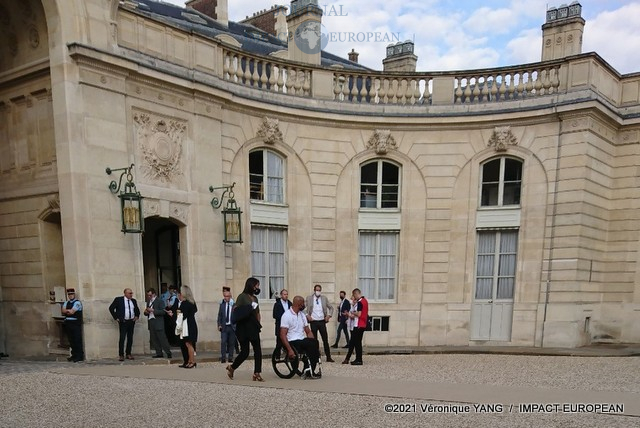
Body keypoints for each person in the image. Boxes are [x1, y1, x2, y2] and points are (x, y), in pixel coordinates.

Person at [226, 277, 264, 382]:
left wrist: (258, 323)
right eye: (256, 285)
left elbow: (257, 312)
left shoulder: (255, 299)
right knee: (245, 352)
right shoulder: (242, 296)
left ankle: (257, 372)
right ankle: (232, 367)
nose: (257, 288)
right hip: (243, 326)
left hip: (253, 326)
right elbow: (235, 310)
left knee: (257, 350)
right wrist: (247, 309)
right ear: (251, 285)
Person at [280, 296, 321, 379]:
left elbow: (308, 331)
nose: (304, 305)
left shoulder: (302, 315)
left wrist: (315, 344)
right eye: (303, 303)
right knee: (310, 345)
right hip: (292, 341)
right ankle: (308, 372)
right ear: (298, 304)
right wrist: (289, 350)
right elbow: (282, 334)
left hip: (301, 340)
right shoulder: (286, 315)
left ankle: (309, 370)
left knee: (314, 343)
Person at [168, 285, 198, 368]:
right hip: (190, 324)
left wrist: (173, 315)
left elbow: (182, 315)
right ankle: (189, 361)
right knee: (188, 344)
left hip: (187, 326)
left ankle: (192, 361)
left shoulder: (185, 303)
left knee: (189, 344)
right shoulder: (191, 302)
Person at [108, 288, 140, 361]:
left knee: (130, 338)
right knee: (122, 338)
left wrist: (137, 316)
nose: (131, 294)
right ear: (125, 293)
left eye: (131, 293)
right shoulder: (119, 300)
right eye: (129, 293)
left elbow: (137, 310)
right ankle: (121, 354)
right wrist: (116, 317)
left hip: (131, 321)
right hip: (123, 321)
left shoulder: (133, 301)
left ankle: (128, 353)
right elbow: (111, 308)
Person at [305, 284, 334, 362]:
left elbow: (331, 308)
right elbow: (303, 308)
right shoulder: (309, 298)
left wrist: (329, 315)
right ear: (314, 290)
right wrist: (307, 315)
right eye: (317, 290)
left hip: (322, 321)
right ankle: (316, 357)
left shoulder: (324, 298)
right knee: (314, 340)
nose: (318, 291)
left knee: (325, 339)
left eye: (319, 290)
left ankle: (328, 357)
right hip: (313, 321)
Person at [143, 288, 172, 359]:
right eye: (148, 295)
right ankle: (158, 353)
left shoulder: (160, 301)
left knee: (162, 338)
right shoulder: (148, 301)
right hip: (151, 321)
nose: (149, 297)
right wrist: (146, 312)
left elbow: (163, 311)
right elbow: (146, 312)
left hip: (158, 322)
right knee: (154, 339)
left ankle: (168, 352)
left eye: (150, 295)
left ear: (154, 294)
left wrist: (153, 310)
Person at [344, 288, 368, 365]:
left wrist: (353, 312)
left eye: (354, 295)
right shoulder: (365, 301)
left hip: (358, 324)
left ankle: (359, 359)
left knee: (357, 343)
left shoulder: (360, 302)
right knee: (357, 342)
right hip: (363, 323)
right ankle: (358, 359)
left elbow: (359, 314)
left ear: (356, 294)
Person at [61, 288, 84, 362]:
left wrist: (67, 311)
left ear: (74, 294)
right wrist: (68, 311)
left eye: (71, 294)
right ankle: (74, 355)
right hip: (68, 323)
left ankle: (79, 356)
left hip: (75, 323)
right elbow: (63, 311)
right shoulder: (66, 302)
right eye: (69, 294)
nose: (70, 296)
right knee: (71, 341)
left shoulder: (77, 303)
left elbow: (72, 312)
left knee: (77, 340)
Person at [217, 286, 236, 363]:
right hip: (224, 326)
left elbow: (237, 315)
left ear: (230, 296)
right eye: (225, 296)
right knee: (223, 342)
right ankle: (223, 357)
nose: (226, 298)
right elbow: (219, 315)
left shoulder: (234, 304)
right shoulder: (222, 304)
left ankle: (230, 357)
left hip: (232, 326)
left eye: (227, 296)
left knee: (231, 342)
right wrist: (219, 324)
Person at [272, 289, 292, 357]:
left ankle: (288, 355)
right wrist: (283, 317)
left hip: (288, 326)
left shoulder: (290, 303)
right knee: (279, 342)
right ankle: (277, 356)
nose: (286, 296)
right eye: (284, 294)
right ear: (281, 295)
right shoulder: (277, 304)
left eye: (287, 294)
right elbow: (274, 315)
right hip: (280, 325)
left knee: (288, 341)